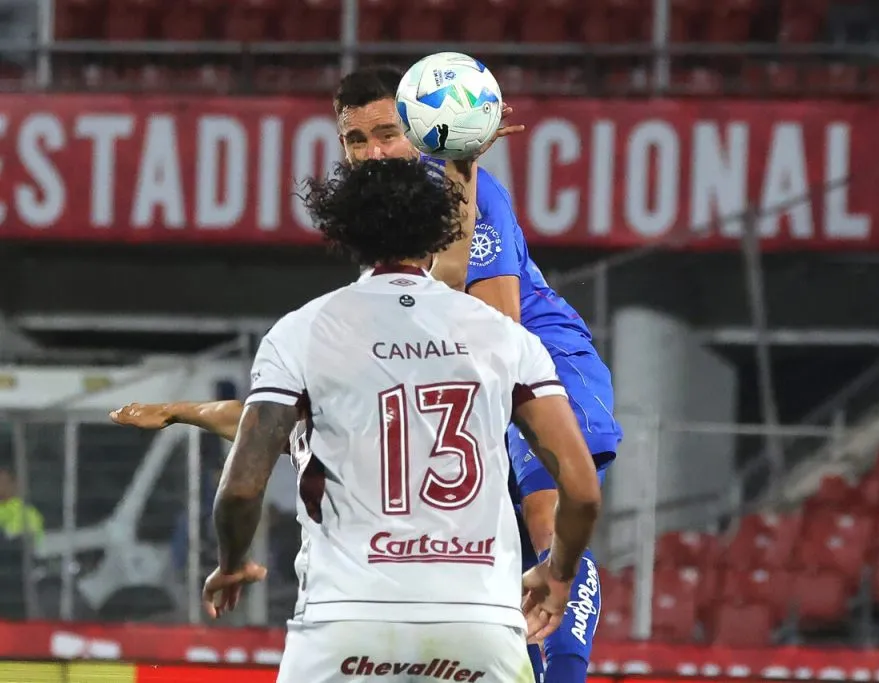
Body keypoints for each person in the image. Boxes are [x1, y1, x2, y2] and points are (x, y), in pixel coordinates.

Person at [116, 64, 623, 683]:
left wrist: (462, 171)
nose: (373, 152)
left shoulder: (471, 197)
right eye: (356, 141)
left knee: (551, 522)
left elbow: (494, 326)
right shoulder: (390, 246)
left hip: (548, 358)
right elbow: (300, 417)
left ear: (424, 129)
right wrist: (189, 412)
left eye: (388, 134)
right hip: (473, 379)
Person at [198, 158, 602, 683]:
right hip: (478, 629)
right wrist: (560, 571)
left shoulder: (300, 332)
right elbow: (582, 489)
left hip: (344, 626)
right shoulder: (505, 337)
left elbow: (241, 488)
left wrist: (231, 562)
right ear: (440, 232)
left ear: (345, 235)